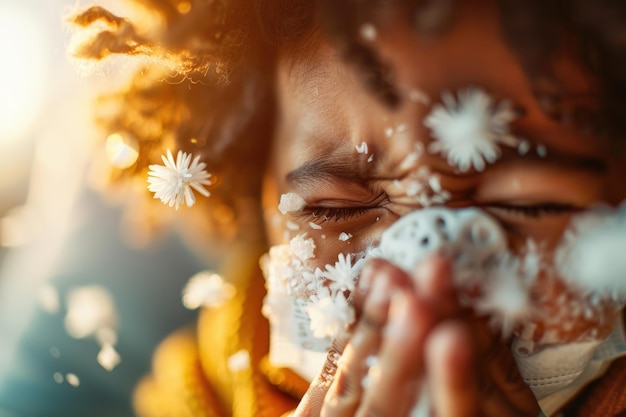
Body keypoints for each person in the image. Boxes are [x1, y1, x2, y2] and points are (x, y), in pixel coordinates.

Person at [68, 0, 626, 416]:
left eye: (529, 207)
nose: (427, 284)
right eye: (335, 211)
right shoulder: (203, 390)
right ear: (256, 202)